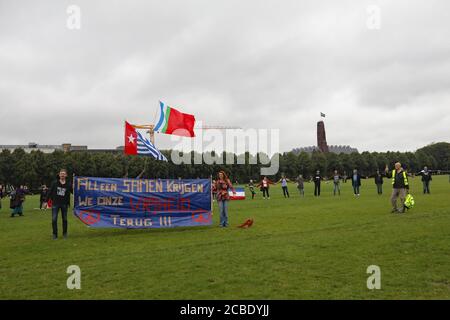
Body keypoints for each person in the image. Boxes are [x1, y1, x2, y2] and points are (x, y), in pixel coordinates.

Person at [49, 169, 73, 239]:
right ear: (59, 175)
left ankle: (65, 233)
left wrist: (75, 187)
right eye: (61, 173)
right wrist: (45, 201)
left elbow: (73, 192)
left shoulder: (68, 184)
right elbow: (50, 192)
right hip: (55, 204)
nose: (62, 175)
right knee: (54, 219)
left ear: (66, 175)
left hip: (64, 204)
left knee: (65, 219)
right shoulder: (54, 183)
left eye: (64, 174)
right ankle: (54, 234)